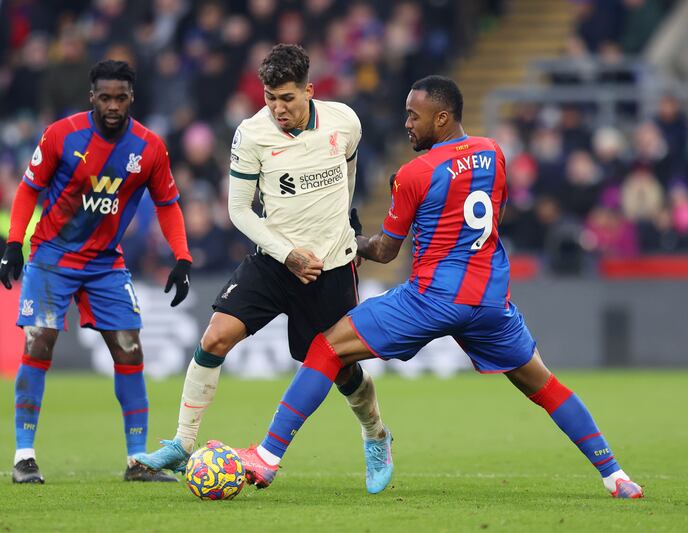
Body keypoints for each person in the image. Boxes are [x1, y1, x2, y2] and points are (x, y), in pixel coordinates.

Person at [231, 75, 643, 499]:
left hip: (431, 298)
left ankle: (267, 455)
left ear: (442, 118)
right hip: (488, 302)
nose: (407, 123)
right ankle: (616, 476)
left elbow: (386, 251)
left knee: (326, 348)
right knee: (543, 384)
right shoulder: (494, 153)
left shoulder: (415, 173)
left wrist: (353, 244)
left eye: (414, 115)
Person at [131, 44, 393, 494]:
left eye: (287, 98)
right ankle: (182, 442)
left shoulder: (344, 122)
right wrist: (286, 251)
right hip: (274, 261)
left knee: (342, 368)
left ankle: (377, 436)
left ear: (310, 90)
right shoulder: (251, 135)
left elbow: (347, 181)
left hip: (330, 266)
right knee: (215, 336)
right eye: (270, 97)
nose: (277, 108)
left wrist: (340, 232)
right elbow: (239, 211)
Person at [0, 59, 193, 484]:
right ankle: (24, 455)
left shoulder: (150, 148)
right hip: (52, 255)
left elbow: (168, 205)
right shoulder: (61, 135)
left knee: (130, 349)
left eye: (120, 98)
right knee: (39, 342)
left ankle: (137, 460)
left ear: (131, 99)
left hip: (105, 262)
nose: (112, 106)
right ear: (92, 97)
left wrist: (181, 257)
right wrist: (14, 243)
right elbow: (28, 188)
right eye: (104, 97)